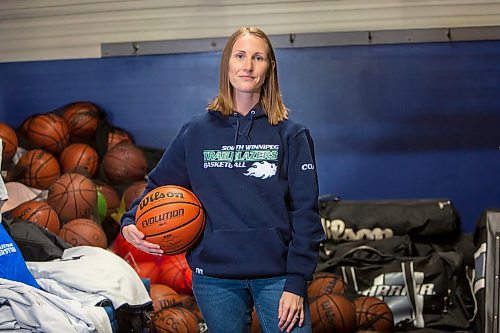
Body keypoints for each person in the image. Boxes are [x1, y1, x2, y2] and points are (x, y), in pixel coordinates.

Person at [121, 26, 325, 333]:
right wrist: (129, 220)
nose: (248, 65)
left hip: (278, 276)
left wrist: (297, 282)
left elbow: (306, 213)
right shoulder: (196, 131)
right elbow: (159, 186)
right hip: (214, 278)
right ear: (226, 63)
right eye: (240, 56)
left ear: (269, 68)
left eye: (258, 57)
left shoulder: (291, 134)